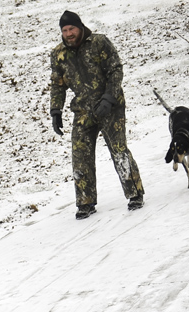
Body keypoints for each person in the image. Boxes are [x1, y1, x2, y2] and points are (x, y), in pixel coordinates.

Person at [49, 11, 145, 220]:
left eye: (71, 29)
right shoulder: (59, 54)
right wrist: (56, 111)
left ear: (80, 27)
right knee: (80, 156)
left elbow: (115, 71)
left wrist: (108, 99)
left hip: (111, 106)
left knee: (119, 150)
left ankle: (135, 194)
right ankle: (85, 202)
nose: (69, 34)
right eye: (64, 30)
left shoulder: (99, 43)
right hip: (83, 111)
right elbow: (57, 84)